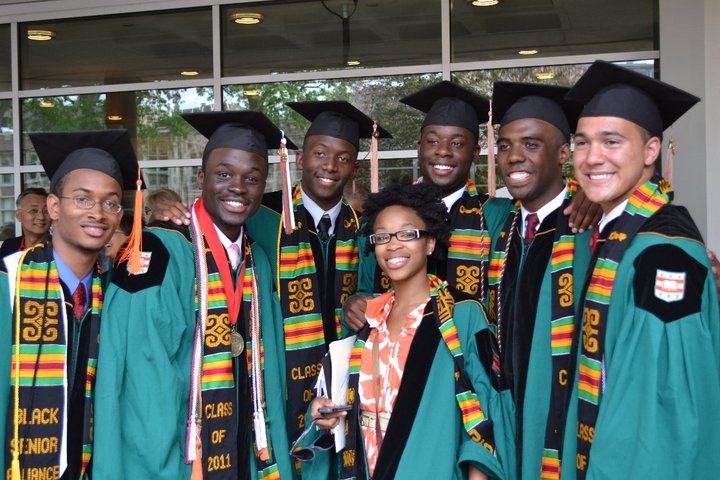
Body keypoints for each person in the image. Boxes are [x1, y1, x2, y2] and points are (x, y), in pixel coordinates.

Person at [93, 111, 296, 480]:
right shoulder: (159, 251)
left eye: (252, 179)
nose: (237, 187)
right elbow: (143, 376)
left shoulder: (258, 261)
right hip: (183, 457)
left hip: (243, 449)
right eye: (223, 174)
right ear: (201, 178)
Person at [561, 60, 720, 478]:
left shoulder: (663, 252)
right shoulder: (617, 234)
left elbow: (662, 405)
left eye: (612, 142)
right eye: (582, 143)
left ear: (651, 150)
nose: (593, 158)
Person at [299, 182, 510, 479]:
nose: (393, 245)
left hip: (430, 465)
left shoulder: (462, 314)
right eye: (383, 236)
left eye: (407, 234)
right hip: (367, 464)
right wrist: (326, 413)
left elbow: (483, 414)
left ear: (430, 243)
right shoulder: (370, 318)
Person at [244, 101, 391, 447]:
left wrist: (368, 301)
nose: (330, 166)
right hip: (278, 385)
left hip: (347, 386)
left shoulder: (366, 231)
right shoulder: (262, 220)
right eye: (320, 154)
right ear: (299, 159)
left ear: (354, 170)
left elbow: (388, 294)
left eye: (343, 158)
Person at [0, 129, 136, 480]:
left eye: (111, 202)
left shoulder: (116, 297)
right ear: (54, 207)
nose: (98, 213)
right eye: (83, 199)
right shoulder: (8, 284)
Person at [344, 81, 515, 330]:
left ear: (475, 151)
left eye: (457, 143)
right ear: (419, 148)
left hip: (467, 351)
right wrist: (354, 303)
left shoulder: (496, 214)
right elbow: (366, 288)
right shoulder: (386, 215)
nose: (443, 151)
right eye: (433, 141)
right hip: (396, 352)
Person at [487, 82, 592, 479]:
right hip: (506, 418)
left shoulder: (589, 224)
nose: (515, 157)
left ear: (564, 153)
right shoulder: (501, 224)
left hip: (565, 420)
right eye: (505, 145)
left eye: (532, 145)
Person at [0, 187, 50, 260]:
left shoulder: (60, 250)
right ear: (18, 215)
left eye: (46, 211)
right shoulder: (9, 246)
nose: (41, 217)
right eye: (34, 211)